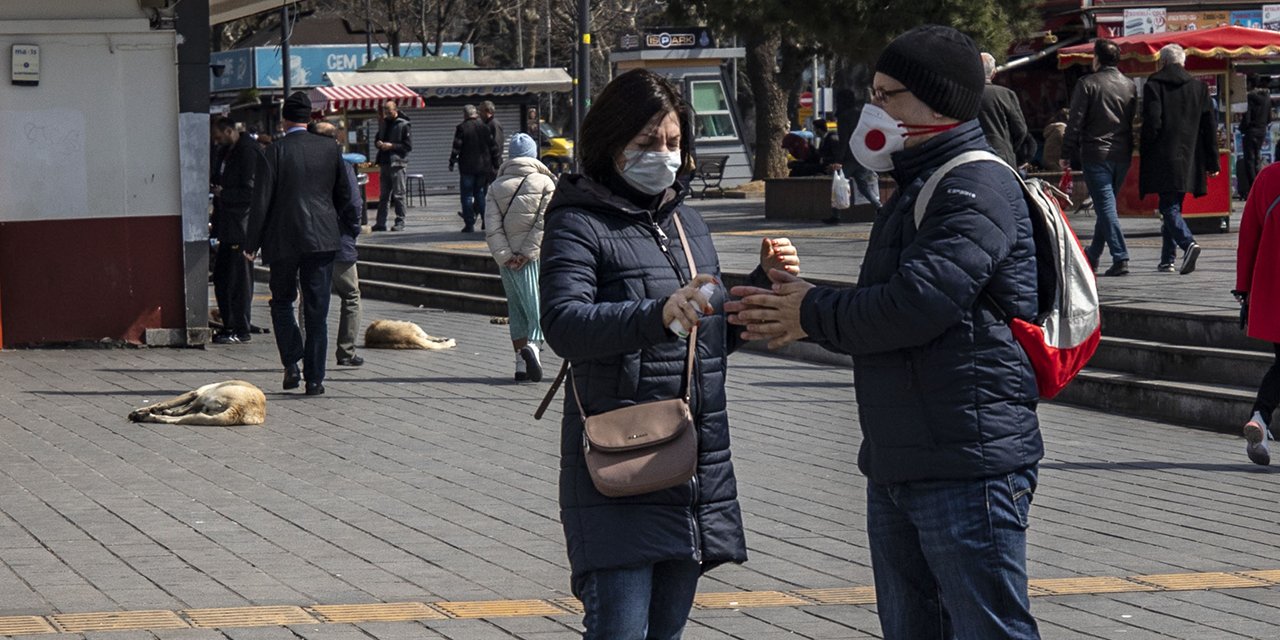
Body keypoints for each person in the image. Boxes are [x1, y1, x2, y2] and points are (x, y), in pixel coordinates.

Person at [725, 25, 1042, 639]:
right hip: (906, 456)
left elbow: (917, 304)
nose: (873, 108)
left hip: (965, 463)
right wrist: (795, 298)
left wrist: (810, 312)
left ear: (939, 103)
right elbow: (894, 299)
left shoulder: (975, 186)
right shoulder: (923, 184)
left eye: (886, 94)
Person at [539, 68, 798, 639]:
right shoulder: (577, 222)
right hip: (621, 460)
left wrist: (762, 285)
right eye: (646, 144)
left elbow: (707, 333)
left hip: (692, 465)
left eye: (674, 143)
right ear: (610, 145)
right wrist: (658, 315)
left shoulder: (686, 221)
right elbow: (563, 324)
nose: (664, 156)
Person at [246, 91, 360, 396]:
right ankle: (315, 379)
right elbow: (346, 197)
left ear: (285, 119)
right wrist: (346, 229)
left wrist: (251, 242)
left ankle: (292, 361)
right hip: (322, 239)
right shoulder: (330, 149)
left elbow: (261, 202)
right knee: (317, 309)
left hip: (283, 239)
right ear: (312, 117)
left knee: (282, 301)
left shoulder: (274, 152)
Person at [1138, 44, 1219, 275]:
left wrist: (1144, 148)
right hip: (1190, 158)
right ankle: (1167, 259)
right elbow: (1209, 128)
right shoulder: (1199, 88)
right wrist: (1213, 162)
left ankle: (1187, 243)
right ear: (1183, 63)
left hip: (1163, 157)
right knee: (1174, 206)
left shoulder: (1154, 85)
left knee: (1168, 207)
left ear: (1162, 62)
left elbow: (1153, 123)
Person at [1063, 39, 1138, 277]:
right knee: (1107, 207)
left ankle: (1121, 256)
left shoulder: (1087, 83)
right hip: (1122, 153)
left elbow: (1075, 121)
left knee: (1106, 206)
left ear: (1096, 58)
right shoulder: (1129, 85)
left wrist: (1066, 152)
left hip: (1096, 152)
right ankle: (1092, 255)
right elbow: (1131, 120)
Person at [484, 133, 555, 382]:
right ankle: (534, 348)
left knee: (516, 308)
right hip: (533, 258)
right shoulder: (546, 183)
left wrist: (506, 255)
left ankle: (519, 364)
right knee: (536, 307)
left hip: (507, 261)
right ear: (534, 155)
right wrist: (527, 252)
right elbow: (544, 223)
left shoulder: (495, 187)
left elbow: (491, 227)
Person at [1237, 161, 1280, 465]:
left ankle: (1260, 422)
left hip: (1271, 286)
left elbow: (1248, 236)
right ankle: (1260, 418)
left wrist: (1243, 288)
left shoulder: (1267, 176)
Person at [313, 121, 365, 368]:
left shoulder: (304, 164)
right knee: (351, 296)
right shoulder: (343, 166)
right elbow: (354, 205)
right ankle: (346, 351)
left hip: (309, 241)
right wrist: (351, 232)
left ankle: (308, 352)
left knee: (310, 298)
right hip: (338, 240)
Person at [209, 117, 266, 345]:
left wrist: (225, 193)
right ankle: (232, 322)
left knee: (237, 279)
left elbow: (251, 192)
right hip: (226, 224)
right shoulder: (225, 152)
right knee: (223, 278)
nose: (216, 140)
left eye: (218, 135)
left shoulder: (248, 152)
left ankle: (240, 327)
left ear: (230, 131)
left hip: (241, 226)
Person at [826, 85, 884, 225]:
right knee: (863, 186)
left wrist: (838, 160)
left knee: (838, 183)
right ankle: (879, 207)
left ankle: (836, 214)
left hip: (849, 157)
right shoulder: (860, 113)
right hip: (862, 154)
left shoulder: (844, 117)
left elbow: (844, 140)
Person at [450, 104, 501, 233]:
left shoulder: (462, 128)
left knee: (467, 196)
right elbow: (493, 147)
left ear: (465, 115)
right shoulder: (484, 127)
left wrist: (452, 161)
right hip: (483, 167)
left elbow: (457, 147)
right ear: (475, 114)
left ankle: (469, 224)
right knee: (480, 195)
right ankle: (486, 221)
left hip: (467, 168)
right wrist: (496, 164)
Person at [978, 52, 1032, 168]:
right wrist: (1010, 147)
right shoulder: (1006, 95)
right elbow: (1021, 130)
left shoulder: (965, 95)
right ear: (993, 73)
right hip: (1002, 156)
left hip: (972, 157)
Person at [373, 100, 412, 232]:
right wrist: (378, 143)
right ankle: (380, 222)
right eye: (385, 111)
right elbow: (377, 138)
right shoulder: (383, 123)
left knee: (399, 194)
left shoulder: (403, 124)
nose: (387, 113)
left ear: (395, 109)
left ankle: (400, 221)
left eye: (389, 111)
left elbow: (408, 146)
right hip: (385, 162)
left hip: (398, 163)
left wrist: (392, 146)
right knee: (384, 195)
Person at [1239, 75, 1272, 200]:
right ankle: (1261, 186)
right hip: (1261, 130)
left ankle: (1253, 188)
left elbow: (1247, 117)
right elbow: (1269, 118)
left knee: (1249, 160)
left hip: (1251, 131)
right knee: (1257, 158)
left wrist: (1242, 128)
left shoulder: (1250, 97)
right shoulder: (1267, 98)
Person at [479, 100, 505, 172]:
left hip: (493, 166)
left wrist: (495, 165)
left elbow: (497, 145)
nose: (479, 114)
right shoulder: (487, 124)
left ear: (487, 111)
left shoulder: (494, 125)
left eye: (481, 111)